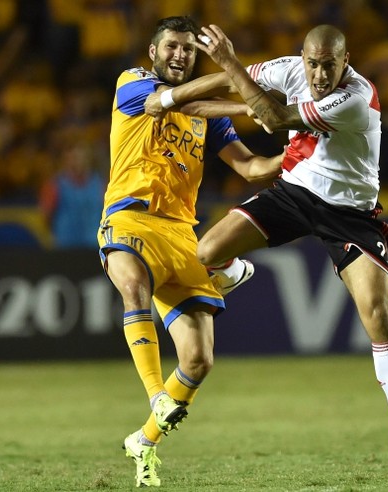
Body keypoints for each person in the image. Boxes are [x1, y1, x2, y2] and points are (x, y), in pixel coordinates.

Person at [149, 23, 388, 463]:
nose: (320, 75)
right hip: (295, 192)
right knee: (207, 252)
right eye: (313, 64)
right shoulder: (289, 70)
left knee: (378, 314)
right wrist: (171, 98)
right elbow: (234, 80)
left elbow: (274, 118)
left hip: (351, 214)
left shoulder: (357, 98)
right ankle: (233, 272)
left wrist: (226, 62)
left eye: (329, 65)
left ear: (346, 62)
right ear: (302, 58)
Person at [97, 16, 283, 487]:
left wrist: (297, 154)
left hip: (182, 235)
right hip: (130, 216)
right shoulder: (132, 84)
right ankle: (157, 393)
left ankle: (143, 440)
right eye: (173, 47)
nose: (180, 54)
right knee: (134, 286)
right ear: (153, 51)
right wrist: (243, 80)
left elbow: (252, 168)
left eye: (188, 49)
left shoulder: (209, 119)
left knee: (199, 360)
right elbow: (171, 102)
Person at [40, 140, 105, 248]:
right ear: (66, 159)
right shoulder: (54, 185)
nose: (77, 161)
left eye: (80, 157)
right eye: (73, 157)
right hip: (64, 247)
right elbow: (46, 216)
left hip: (94, 247)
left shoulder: (100, 184)